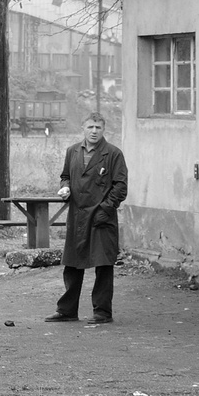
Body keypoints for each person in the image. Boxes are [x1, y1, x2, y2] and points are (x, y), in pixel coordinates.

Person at [45, 112, 128, 325]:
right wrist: (65, 187)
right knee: (72, 263)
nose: (94, 131)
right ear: (83, 128)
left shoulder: (113, 154)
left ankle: (102, 312)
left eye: (98, 128)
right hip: (77, 215)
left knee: (103, 264)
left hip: (101, 217)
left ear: (103, 130)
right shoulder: (72, 151)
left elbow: (120, 186)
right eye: (90, 127)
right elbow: (66, 176)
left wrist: (106, 209)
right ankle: (67, 310)